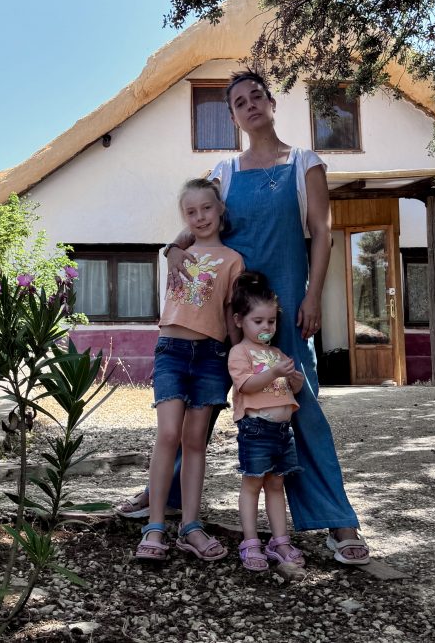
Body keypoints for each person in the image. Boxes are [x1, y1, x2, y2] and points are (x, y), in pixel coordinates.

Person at [116, 70, 369, 565]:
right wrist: (174, 248)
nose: (250, 105)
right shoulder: (224, 171)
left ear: (272, 104)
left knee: (300, 399)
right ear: (232, 116)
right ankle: (161, 496)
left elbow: (322, 233)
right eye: (238, 102)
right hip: (220, 304)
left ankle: (337, 519)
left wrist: (313, 296)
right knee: (201, 405)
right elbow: (199, 217)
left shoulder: (305, 163)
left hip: (282, 306)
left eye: (257, 96)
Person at [134, 178, 244, 563]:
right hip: (172, 351)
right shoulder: (179, 252)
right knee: (168, 434)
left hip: (212, 355)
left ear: (220, 210)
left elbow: (232, 313)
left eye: (207, 208)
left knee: (196, 441)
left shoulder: (233, 260)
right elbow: (175, 247)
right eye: (191, 211)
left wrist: (238, 359)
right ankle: (154, 525)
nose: (200, 217)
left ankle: (191, 526)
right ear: (184, 217)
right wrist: (172, 249)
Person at [227, 272, 306, 571]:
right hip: (256, 429)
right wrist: (274, 373)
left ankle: (280, 540)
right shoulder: (240, 352)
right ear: (239, 321)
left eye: (270, 322)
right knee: (252, 484)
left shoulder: (276, 353)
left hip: (283, 432)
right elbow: (245, 385)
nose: (266, 327)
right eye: (257, 321)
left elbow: (288, 389)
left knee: (276, 484)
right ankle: (250, 541)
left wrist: (294, 381)